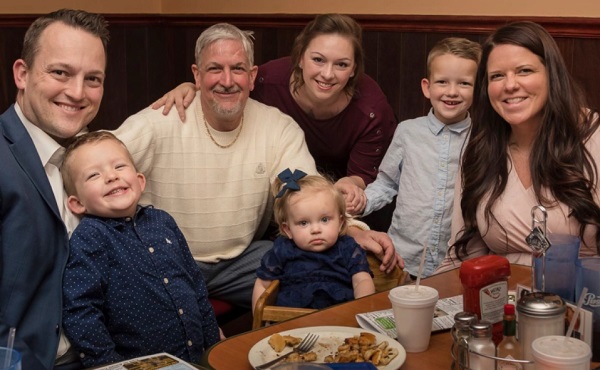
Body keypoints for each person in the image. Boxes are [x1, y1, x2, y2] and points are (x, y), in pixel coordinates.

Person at [113, 23, 399, 310]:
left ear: (252, 77)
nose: (227, 80)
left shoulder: (278, 128)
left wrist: (352, 231)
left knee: (320, 270)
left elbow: (304, 192)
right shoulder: (159, 121)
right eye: (214, 69)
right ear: (197, 76)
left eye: (237, 69)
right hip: (165, 259)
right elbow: (91, 161)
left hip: (241, 261)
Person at [153, 14, 398, 224]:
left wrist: (348, 185)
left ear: (355, 68)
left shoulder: (372, 110)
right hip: (275, 194)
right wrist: (191, 88)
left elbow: (365, 175)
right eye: (318, 59)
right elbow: (227, 88)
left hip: (335, 201)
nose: (327, 74)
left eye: (342, 64)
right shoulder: (266, 82)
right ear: (300, 58)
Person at [436, 21, 600, 273]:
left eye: (524, 71)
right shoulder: (479, 149)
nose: (509, 85)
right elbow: (464, 256)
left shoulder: (593, 136)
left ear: (551, 74)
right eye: (497, 76)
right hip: (501, 303)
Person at [0, 9, 109, 370]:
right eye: (60, 72)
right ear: (22, 74)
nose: (77, 93)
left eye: (92, 78)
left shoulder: (96, 155)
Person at [60, 131, 220, 367]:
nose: (111, 177)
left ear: (140, 180)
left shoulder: (163, 221)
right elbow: (81, 311)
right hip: (138, 363)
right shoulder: (90, 237)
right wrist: (107, 364)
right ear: (77, 203)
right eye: (94, 175)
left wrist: (213, 342)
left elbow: (195, 285)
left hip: (196, 357)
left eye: (119, 166)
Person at [357, 38, 481, 278]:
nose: (452, 92)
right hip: (403, 258)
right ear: (427, 87)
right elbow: (387, 183)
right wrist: (360, 203)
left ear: (478, 89)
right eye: (442, 82)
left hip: (457, 261)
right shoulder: (407, 132)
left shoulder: (482, 139)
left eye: (464, 83)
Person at [252, 169, 375, 310]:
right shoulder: (283, 249)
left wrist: (361, 308)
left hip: (338, 318)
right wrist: (260, 320)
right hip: (290, 320)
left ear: (340, 222)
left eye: (324, 220)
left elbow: (362, 280)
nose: (316, 230)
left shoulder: (348, 248)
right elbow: (263, 284)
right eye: (304, 223)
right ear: (288, 229)